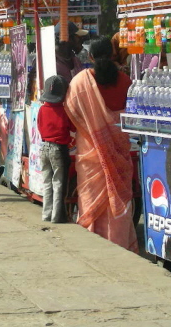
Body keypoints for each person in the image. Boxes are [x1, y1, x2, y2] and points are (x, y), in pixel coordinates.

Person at [64, 36, 138, 252]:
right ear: (113, 54)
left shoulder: (80, 82)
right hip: (121, 150)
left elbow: (71, 117)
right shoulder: (126, 81)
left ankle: (92, 244)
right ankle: (119, 242)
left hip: (90, 154)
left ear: (90, 56)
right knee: (119, 199)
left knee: (90, 198)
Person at [37, 75, 75, 223]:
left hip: (44, 147)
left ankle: (46, 214)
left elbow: (40, 127)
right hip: (59, 149)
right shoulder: (64, 111)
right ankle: (57, 216)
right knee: (58, 183)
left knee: (47, 182)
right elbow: (72, 127)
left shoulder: (41, 109)